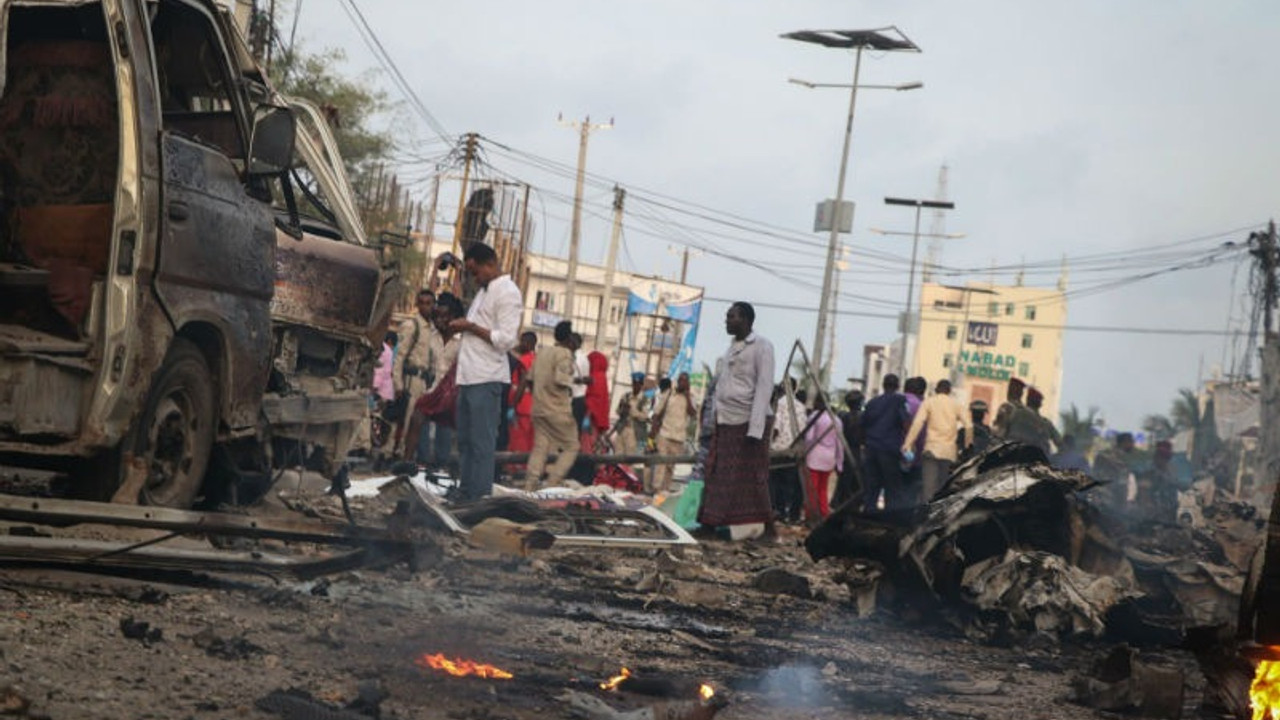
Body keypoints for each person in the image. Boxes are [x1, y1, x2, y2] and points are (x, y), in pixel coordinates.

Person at [698, 301, 777, 541]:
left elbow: (764, 387)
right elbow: (722, 386)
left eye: (731, 317)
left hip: (748, 422)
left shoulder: (762, 346)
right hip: (726, 420)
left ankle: (770, 529)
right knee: (718, 473)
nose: (726, 321)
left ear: (745, 320)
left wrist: (755, 429)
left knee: (755, 476)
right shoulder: (731, 347)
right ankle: (710, 524)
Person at [451, 243, 523, 501]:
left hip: (487, 377)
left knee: (481, 443)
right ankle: (466, 490)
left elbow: (506, 340)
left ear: (490, 264)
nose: (474, 278)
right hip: (469, 376)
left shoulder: (507, 292)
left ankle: (478, 496)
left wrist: (470, 327)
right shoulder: (485, 291)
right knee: (466, 441)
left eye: (476, 271)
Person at [524, 321, 578, 489]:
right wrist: (579, 379)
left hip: (538, 408)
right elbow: (561, 380)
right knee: (572, 446)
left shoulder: (542, 352)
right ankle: (552, 482)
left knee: (540, 447)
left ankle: (530, 483)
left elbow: (530, 380)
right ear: (569, 337)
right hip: (557, 409)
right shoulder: (564, 354)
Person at [902, 379, 971, 505]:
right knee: (942, 488)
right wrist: (967, 446)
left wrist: (907, 444)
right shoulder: (956, 405)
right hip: (948, 453)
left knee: (928, 488)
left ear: (936, 389)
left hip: (931, 450)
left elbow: (918, 423)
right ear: (949, 391)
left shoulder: (929, 402)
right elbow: (969, 426)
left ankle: (926, 517)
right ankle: (938, 517)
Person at [419, 292, 463, 470]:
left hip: (449, 393)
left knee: (444, 429)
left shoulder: (461, 342)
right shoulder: (430, 337)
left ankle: (440, 464)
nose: (440, 320)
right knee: (421, 424)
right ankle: (421, 461)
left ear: (453, 317)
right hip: (429, 388)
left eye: (445, 316)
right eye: (437, 316)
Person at [392, 290, 437, 459]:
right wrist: (398, 384)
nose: (426, 306)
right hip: (410, 379)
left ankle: (407, 455)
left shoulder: (432, 329)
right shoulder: (412, 325)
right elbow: (400, 356)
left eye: (429, 303)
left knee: (417, 421)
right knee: (404, 419)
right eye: (422, 303)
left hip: (424, 381)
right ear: (417, 305)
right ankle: (395, 454)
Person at [860, 374, 910, 512]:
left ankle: (869, 515)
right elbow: (906, 423)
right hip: (889, 450)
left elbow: (862, 424)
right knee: (892, 487)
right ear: (898, 386)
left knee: (872, 487)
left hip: (871, 449)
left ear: (883, 385)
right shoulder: (900, 401)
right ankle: (889, 519)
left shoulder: (872, 403)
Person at [650, 372, 697, 494]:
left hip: (678, 438)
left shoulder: (691, 397)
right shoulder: (669, 393)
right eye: (680, 380)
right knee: (660, 464)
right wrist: (653, 432)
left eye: (685, 381)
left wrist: (687, 396)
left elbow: (693, 414)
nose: (682, 383)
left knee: (670, 467)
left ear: (688, 383)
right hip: (664, 434)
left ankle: (664, 492)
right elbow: (657, 412)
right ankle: (656, 490)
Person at [803, 394, 843, 522]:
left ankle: (811, 514)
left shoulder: (814, 417)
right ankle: (824, 513)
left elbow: (809, 438)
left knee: (812, 488)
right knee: (823, 488)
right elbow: (840, 443)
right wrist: (839, 462)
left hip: (814, 456)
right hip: (829, 458)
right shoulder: (836, 419)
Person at [768, 385, 805, 524]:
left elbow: (776, 428)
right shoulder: (801, 407)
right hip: (793, 449)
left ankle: (775, 510)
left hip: (778, 449)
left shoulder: (779, 404)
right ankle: (784, 513)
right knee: (787, 483)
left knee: (773, 482)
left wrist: (768, 442)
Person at [832, 390, 865, 508]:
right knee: (855, 480)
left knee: (844, 479)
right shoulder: (863, 417)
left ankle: (840, 502)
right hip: (856, 451)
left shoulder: (842, 416)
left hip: (845, 450)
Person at [506, 331, 537, 453]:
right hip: (532, 405)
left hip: (521, 405)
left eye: (522, 341)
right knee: (529, 440)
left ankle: (516, 467)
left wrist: (513, 405)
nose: (520, 344)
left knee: (518, 438)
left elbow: (523, 382)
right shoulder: (536, 359)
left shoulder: (524, 360)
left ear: (529, 343)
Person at [1093, 432, 1139, 513]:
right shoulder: (1117, 461)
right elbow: (1121, 488)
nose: (1133, 444)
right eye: (1131, 441)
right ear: (1124, 443)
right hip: (1110, 506)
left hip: (1101, 503)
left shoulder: (1103, 456)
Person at [615, 372, 651, 455]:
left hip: (635, 432)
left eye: (638, 384)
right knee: (618, 454)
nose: (635, 386)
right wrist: (623, 410)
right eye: (634, 384)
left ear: (641, 385)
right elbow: (618, 411)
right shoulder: (626, 396)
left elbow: (645, 416)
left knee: (630, 456)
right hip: (622, 429)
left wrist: (632, 411)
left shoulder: (645, 400)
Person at [584, 350, 612, 450]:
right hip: (598, 420)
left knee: (586, 444)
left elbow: (592, 399)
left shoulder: (594, 377)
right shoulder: (603, 377)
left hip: (590, 417)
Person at [570, 333, 590, 433]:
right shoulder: (584, 357)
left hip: (574, 398)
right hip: (582, 398)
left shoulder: (575, 358)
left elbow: (572, 378)